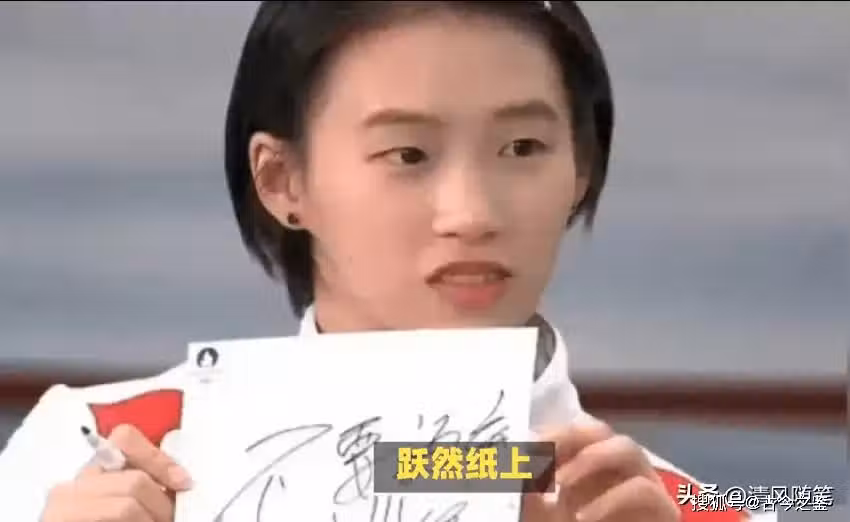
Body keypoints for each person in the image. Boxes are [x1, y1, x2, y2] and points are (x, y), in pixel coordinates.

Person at [0, 2, 769, 522]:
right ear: (282, 180)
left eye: (522, 147)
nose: (472, 213)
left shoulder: (699, 514)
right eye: (408, 154)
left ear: (582, 168)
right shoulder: (86, 451)